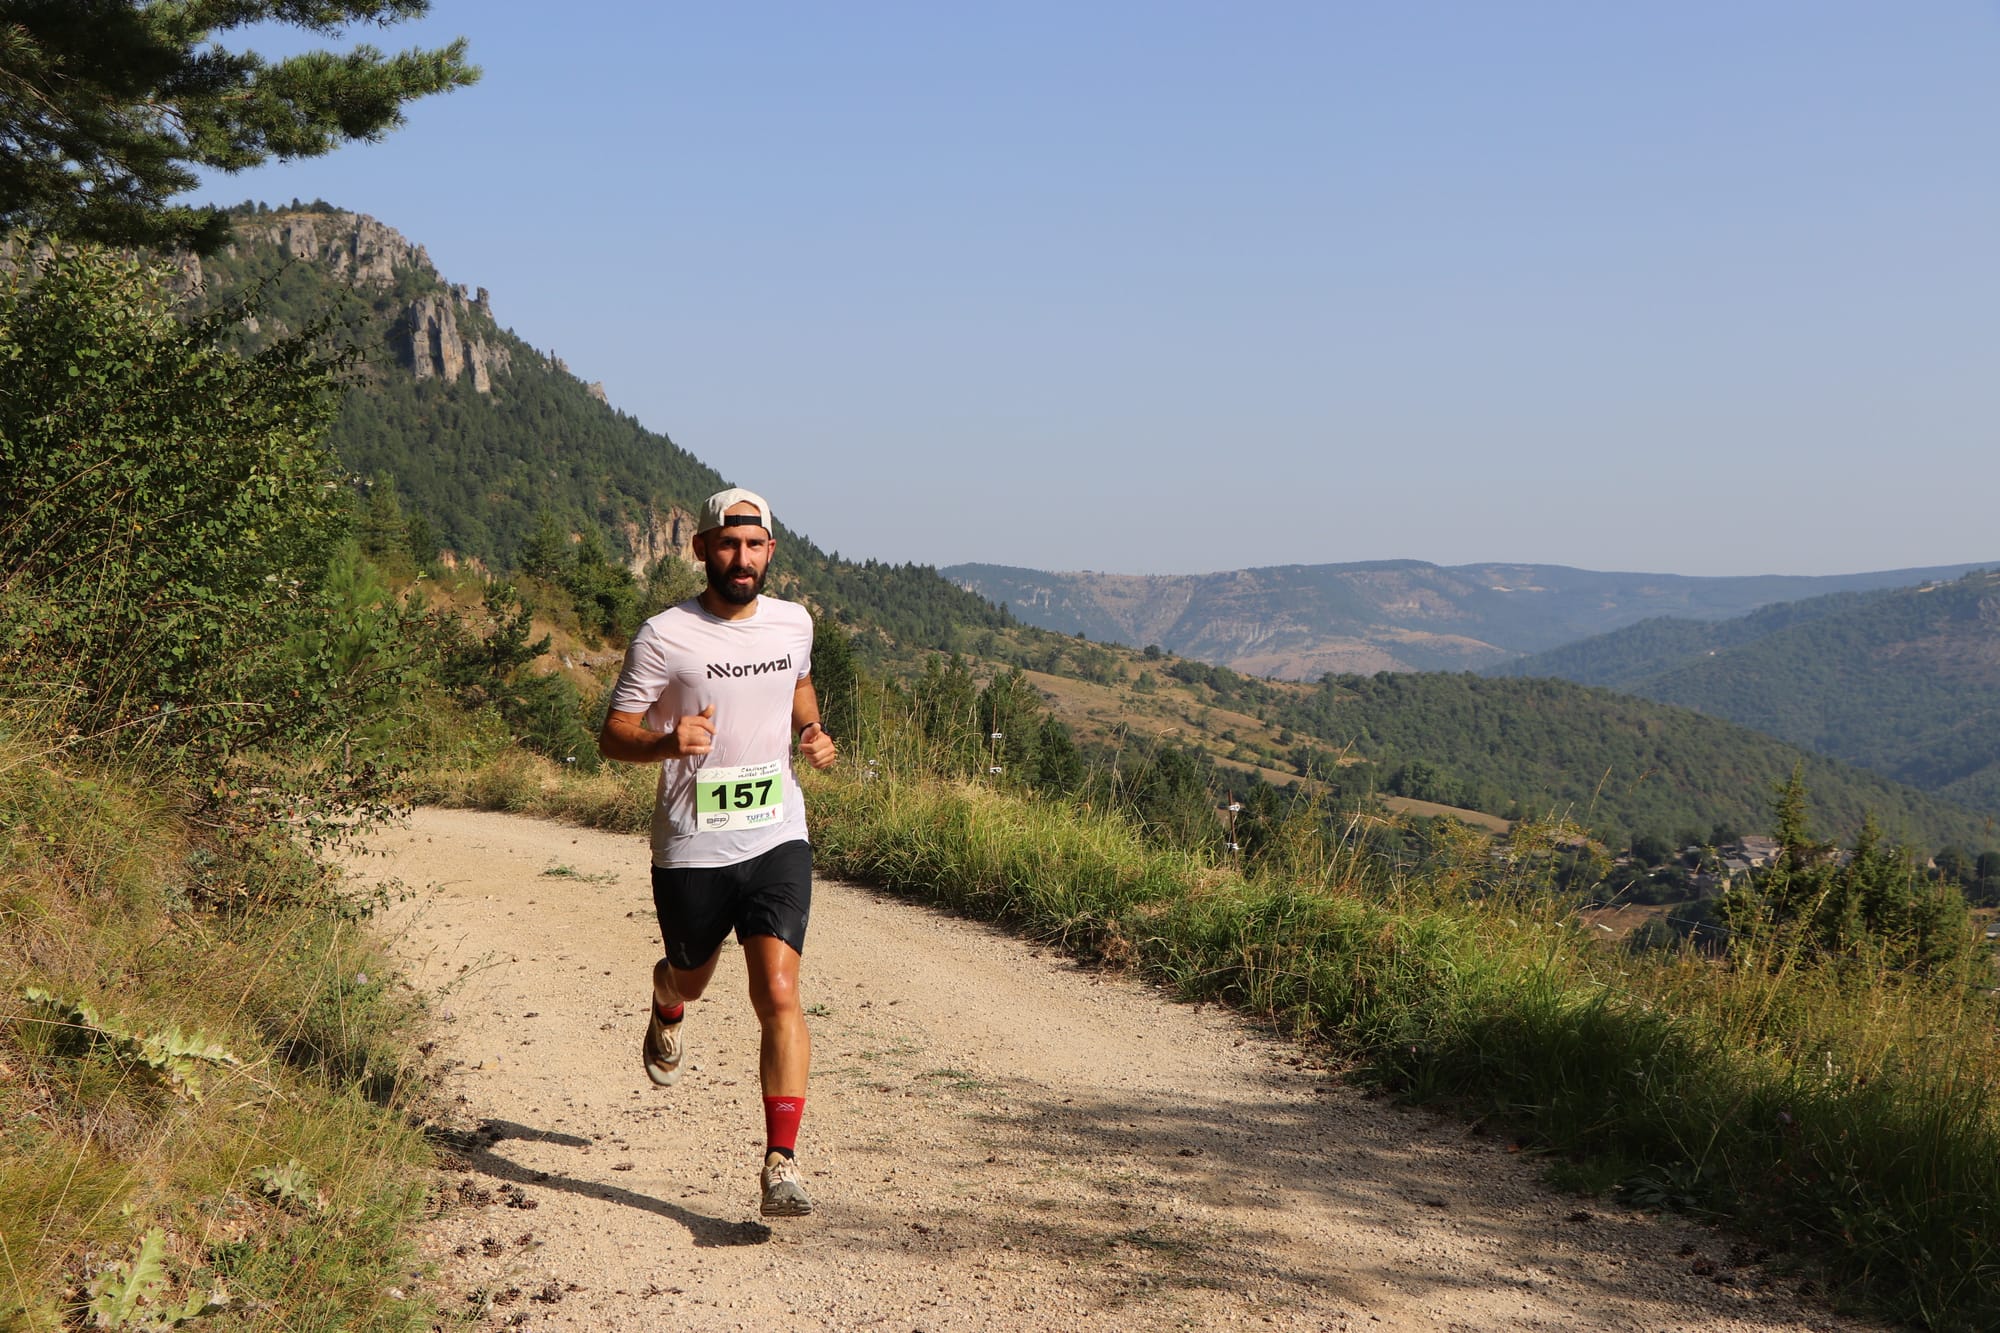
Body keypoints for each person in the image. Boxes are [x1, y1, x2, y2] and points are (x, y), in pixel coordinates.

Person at [597, 486, 839, 1218]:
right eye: (727, 544)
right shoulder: (665, 635)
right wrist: (668, 742)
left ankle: (781, 1162)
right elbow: (613, 734)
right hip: (692, 844)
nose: (742, 558)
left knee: (780, 992)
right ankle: (666, 1001)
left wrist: (812, 731)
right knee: (692, 980)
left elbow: (797, 682)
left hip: (776, 832)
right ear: (702, 547)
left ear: (770, 551)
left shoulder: (794, 622)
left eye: (755, 545)